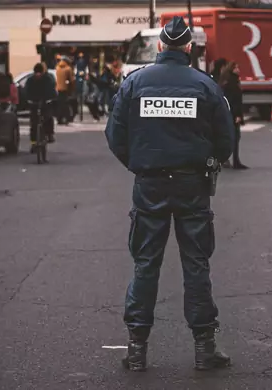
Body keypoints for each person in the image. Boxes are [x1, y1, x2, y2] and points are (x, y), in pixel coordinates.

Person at [105, 16, 234, 372]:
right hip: (193, 185)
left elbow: (115, 135)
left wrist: (139, 164)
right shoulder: (205, 86)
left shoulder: (135, 83)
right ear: (189, 48)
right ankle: (204, 349)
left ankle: (136, 349)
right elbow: (227, 139)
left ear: (160, 46)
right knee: (196, 264)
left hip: (150, 185)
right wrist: (208, 161)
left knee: (146, 264)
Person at [218, 61, 248, 170]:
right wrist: (237, 115)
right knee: (234, 138)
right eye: (236, 68)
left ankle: (232, 160)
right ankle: (234, 161)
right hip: (233, 114)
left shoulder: (228, 81)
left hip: (230, 113)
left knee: (233, 137)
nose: (238, 70)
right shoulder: (232, 82)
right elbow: (234, 100)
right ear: (232, 69)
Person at [25, 63, 57, 151]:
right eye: (37, 73)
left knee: (47, 118)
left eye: (39, 73)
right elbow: (26, 91)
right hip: (35, 103)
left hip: (44, 102)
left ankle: (49, 134)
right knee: (34, 124)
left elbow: (52, 91)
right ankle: (34, 143)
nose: (38, 75)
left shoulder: (46, 79)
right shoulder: (32, 80)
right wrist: (28, 100)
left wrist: (51, 98)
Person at [55, 56, 75, 124]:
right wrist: (72, 88)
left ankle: (59, 119)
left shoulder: (57, 68)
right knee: (65, 105)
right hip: (65, 89)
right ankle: (67, 118)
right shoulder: (68, 69)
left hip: (58, 88)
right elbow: (71, 80)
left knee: (59, 105)